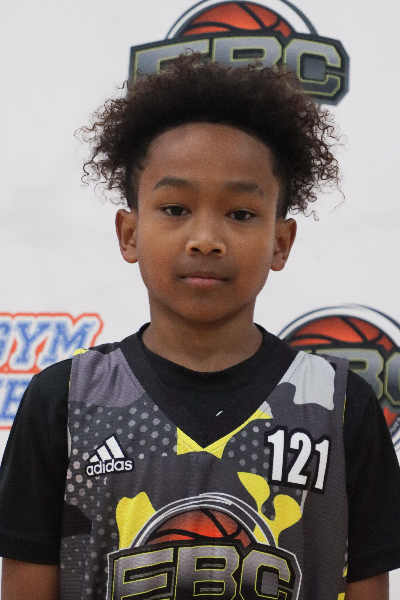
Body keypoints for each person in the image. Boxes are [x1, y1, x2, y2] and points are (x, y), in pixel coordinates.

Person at [1, 54, 400, 600]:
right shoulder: (64, 401)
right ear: (129, 234)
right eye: (175, 209)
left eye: (240, 214)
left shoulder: (341, 407)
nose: (206, 239)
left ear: (281, 242)